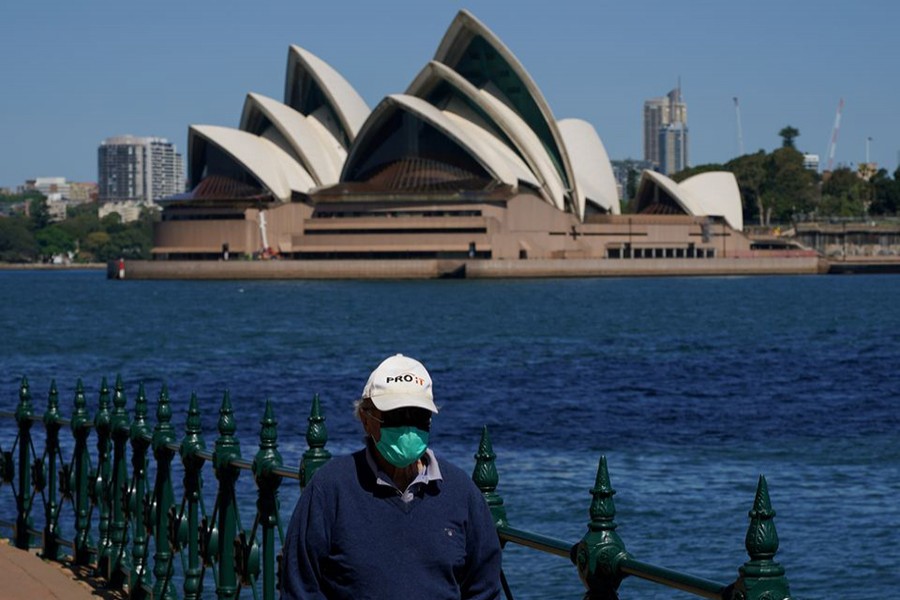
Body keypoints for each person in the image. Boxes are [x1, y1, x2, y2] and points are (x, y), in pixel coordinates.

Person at [281, 354, 502, 600]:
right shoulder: (330, 489)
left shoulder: (462, 493)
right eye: (395, 416)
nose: (408, 427)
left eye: (418, 416)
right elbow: (300, 588)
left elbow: (484, 589)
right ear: (366, 419)